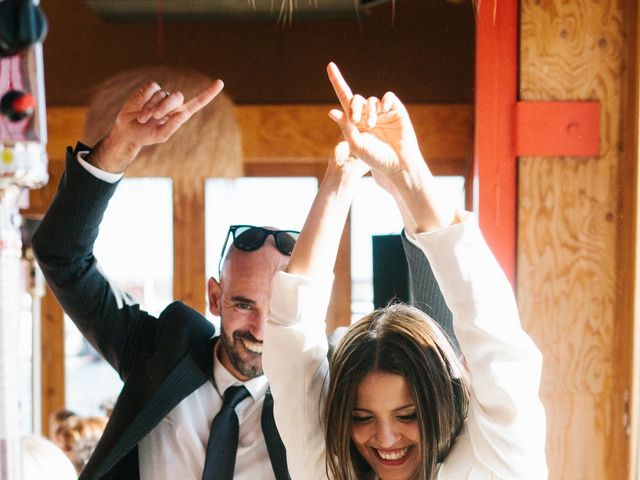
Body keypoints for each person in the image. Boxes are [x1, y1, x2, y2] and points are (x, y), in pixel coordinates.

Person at [32, 72, 454, 480]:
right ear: (215, 297)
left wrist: (404, 182)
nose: (259, 329)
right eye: (243, 304)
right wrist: (121, 144)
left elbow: (434, 357)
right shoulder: (161, 351)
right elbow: (61, 256)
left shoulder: (323, 395)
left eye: (275, 314)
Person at [263, 63, 548, 479]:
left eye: (408, 414)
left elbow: (495, 334)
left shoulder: (496, 462)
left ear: (439, 400)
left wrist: (409, 174)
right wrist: (340, 178)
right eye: (362, 418)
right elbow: (292, 340)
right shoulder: (330, 470)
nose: (385, 438)